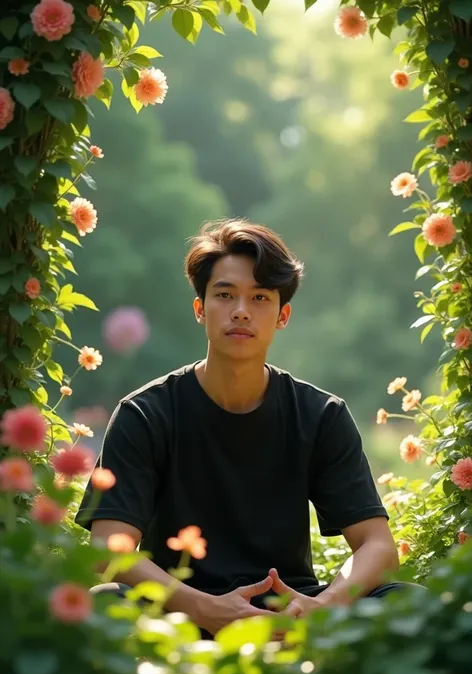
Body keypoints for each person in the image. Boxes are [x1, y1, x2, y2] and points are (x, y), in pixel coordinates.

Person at [75, 218, 409, 639]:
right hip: (179, 614)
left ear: (282, 315)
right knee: (105, 599)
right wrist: (205, 608)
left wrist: (324, 605)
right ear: (200, 309)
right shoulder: (145, 414)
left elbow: (377, 544)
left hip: (292, 613)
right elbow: (110, 548)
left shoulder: (320, 415)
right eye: (225, 294)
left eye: (260, 297)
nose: (240, 311)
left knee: (402, 600)